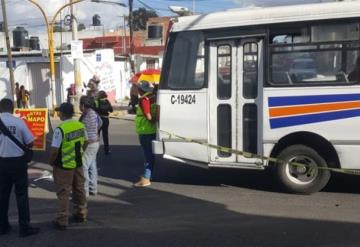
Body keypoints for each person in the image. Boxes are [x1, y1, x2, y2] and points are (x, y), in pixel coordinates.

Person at [0, 98, 40, 237]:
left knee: (2, 195)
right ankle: (24, 227)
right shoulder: (18, 122)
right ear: (13, 109)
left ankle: (2, 226)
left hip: (1, 163)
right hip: (17, 163)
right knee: (21, 195)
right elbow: (30, 142)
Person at [49, 103, 88, 230]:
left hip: (64, 165)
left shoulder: (60, 129)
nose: (58, 113)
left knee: (63, 192)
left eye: (59, 112)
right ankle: (81, 213)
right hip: (78, 163)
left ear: (63, 113)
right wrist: (80, 153)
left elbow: (55, 151)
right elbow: (86, 142)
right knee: (79, 188)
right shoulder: (80, 125)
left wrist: (51, 162)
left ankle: (62, 219)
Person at [134, 81, 157, 187]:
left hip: (145, 130)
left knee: (148, 155)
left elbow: (148, 116)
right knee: (150, 154)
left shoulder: (144, 99)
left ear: (141, 89)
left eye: (138, 88)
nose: (136, 89)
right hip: (151, 130)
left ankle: (146, 179)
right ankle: (149, 174)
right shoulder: (153, 97)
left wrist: (152, 120)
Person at [79, 96, 102, 196]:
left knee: (84, 166)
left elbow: (84, 134)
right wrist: (95, 131)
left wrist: (83, 147)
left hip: (89, 143)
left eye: (80, 104)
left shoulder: (86, 116)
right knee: (92, 165)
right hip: (96, 142)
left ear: (83, 105)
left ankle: (85, 191)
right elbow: (101, 123)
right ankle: (93, 188)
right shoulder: (94, 113)